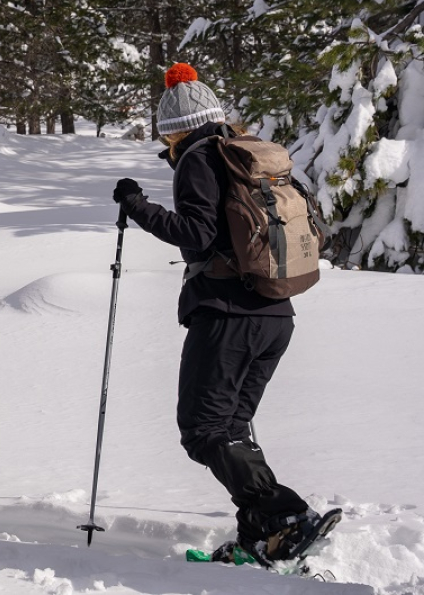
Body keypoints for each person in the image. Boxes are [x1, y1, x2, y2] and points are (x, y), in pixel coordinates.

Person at [111, 63, 322, 563]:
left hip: (228, 315)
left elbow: (197, 235)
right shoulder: (244, 157)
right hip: (275, 313)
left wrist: (137, 205)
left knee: (204, 429)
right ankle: (261, 534)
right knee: (231, 428)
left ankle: (284, 514)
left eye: (169, 136)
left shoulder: (199, 159)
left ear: (175, 129)